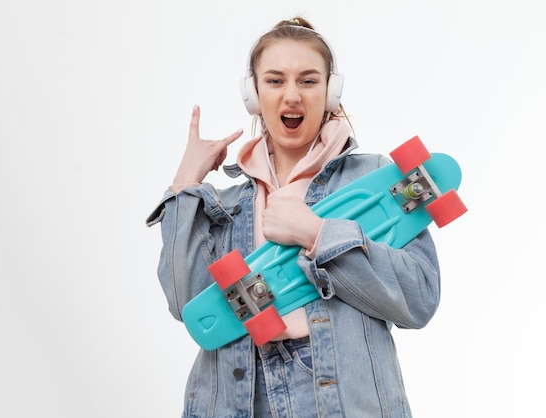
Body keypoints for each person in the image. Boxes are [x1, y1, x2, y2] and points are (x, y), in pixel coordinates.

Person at [146, 16, 440, 418]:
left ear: (330, 92)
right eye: (274, 80)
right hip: (241, 399)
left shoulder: (376, 181)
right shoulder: (224, 206)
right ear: (253, 94)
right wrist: (184, 186)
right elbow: (187, 306)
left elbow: (419, 298)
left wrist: (318, 234)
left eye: (307, 80)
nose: (292, 96)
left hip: (343, 401)